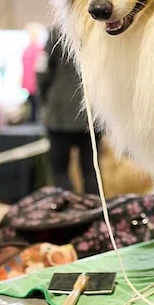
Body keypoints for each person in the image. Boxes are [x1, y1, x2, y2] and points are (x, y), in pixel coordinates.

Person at [37, 26, 99, 194]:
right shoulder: (95, 31)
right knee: (91, 171)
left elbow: (43, 71)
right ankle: (93, 207)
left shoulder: (56, 32)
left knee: (59, 171)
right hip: (90, 112)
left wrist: (43, 99)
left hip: (59, 114)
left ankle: (66, 207)